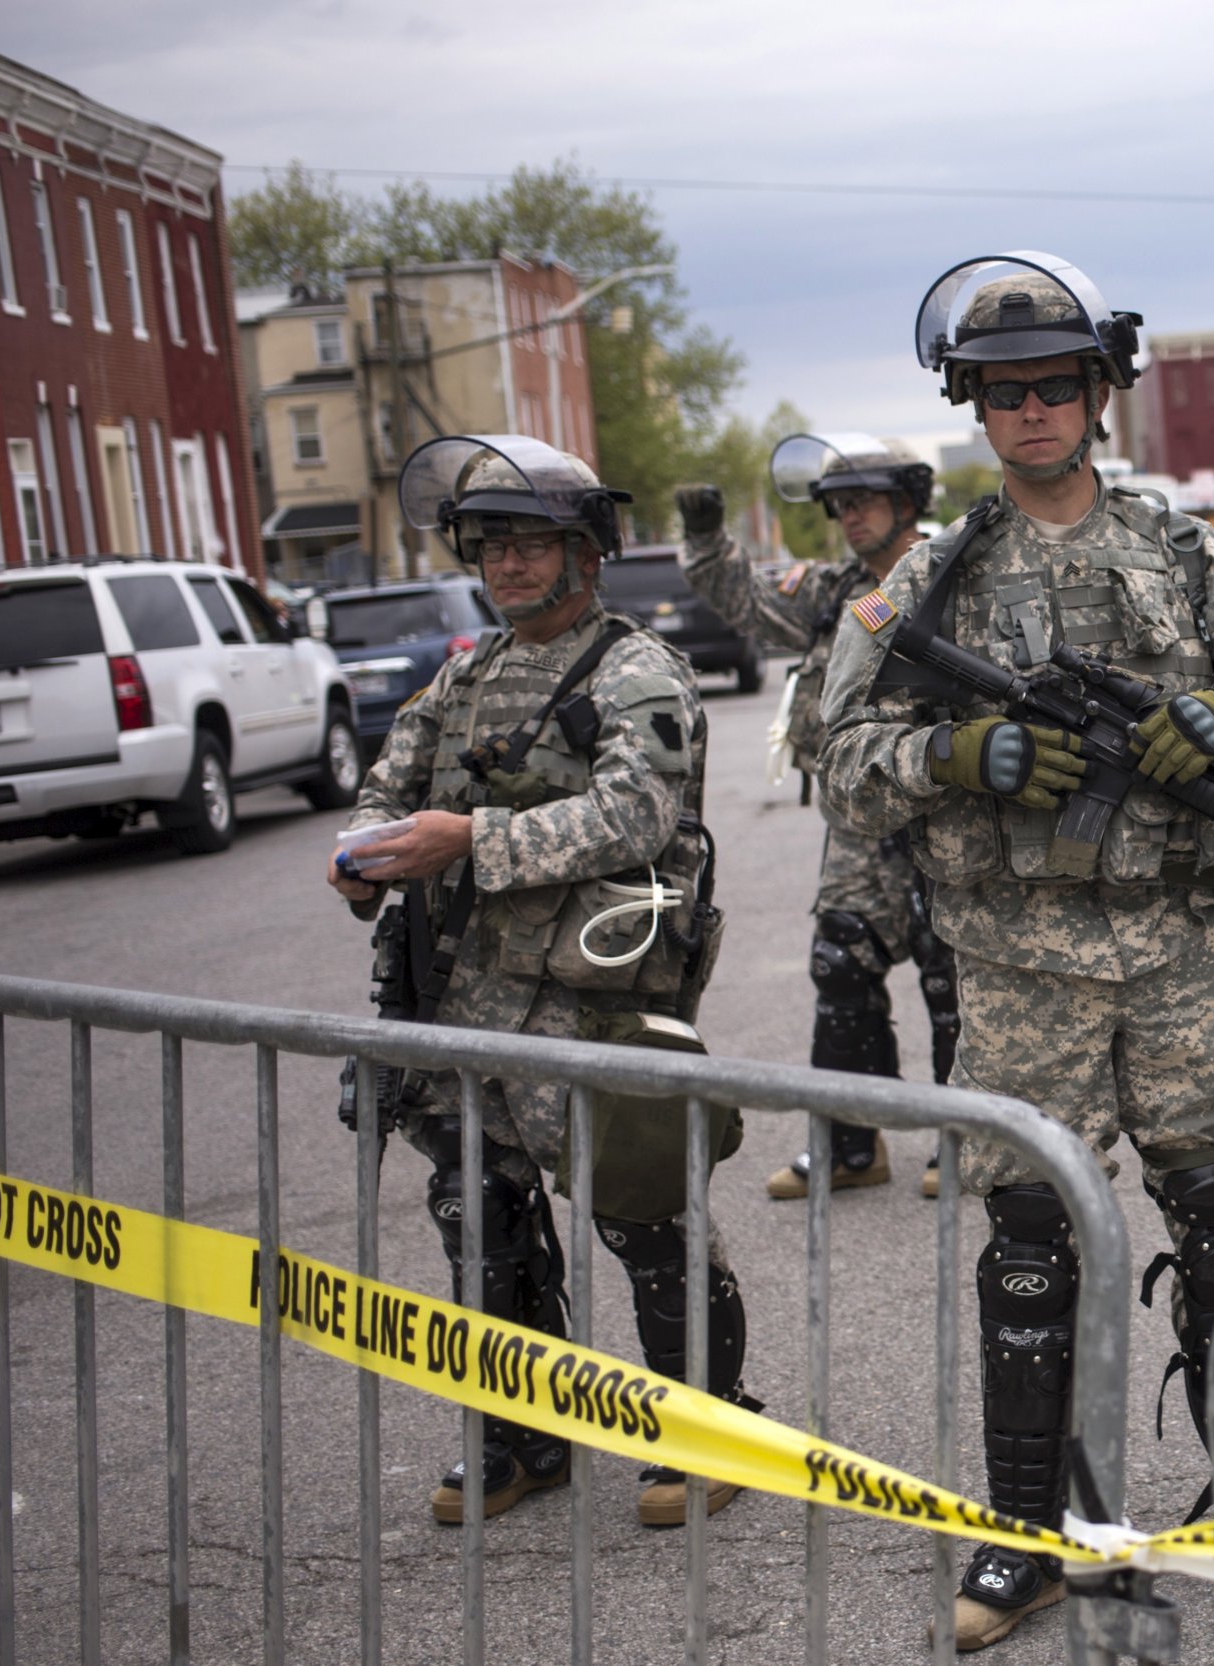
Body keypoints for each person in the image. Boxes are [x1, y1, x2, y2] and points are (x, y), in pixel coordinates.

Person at [816, 252, 1214, 1648]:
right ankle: (1023, 1541)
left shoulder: (1187, 551)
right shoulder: (931, 578)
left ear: (1100, 395)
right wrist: (959, 750)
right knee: (1027, 1248)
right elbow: (842, 753)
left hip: (1178, 950)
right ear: (975, 409)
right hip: (1018, 965)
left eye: (1056, 385)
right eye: (1003, 393)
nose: (1032, 411)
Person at [328, 434, 758, 1527]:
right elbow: (386, 787)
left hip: (587, 993)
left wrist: (467, 838)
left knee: (642, 1211)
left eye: (532, 544)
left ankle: (708, 1426)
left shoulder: (636, 671)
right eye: (488, 545)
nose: (508, 566)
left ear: (589, 551)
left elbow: (639, 814)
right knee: (481, 1218)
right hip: (461, 994)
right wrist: (365, 856)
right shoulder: (463, 673)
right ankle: (522, 1436)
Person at [676, 435, 959, 1200]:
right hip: (860, 828)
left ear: (908, 501)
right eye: (839, 504)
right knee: (841, 969)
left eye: (864, 500)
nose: (848, 516)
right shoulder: (835, 593)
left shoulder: (956, 578)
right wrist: (705, 539)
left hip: (950, 819)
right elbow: (747, 602)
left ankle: (969, 1141)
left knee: (952, 978)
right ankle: (848, 1145)